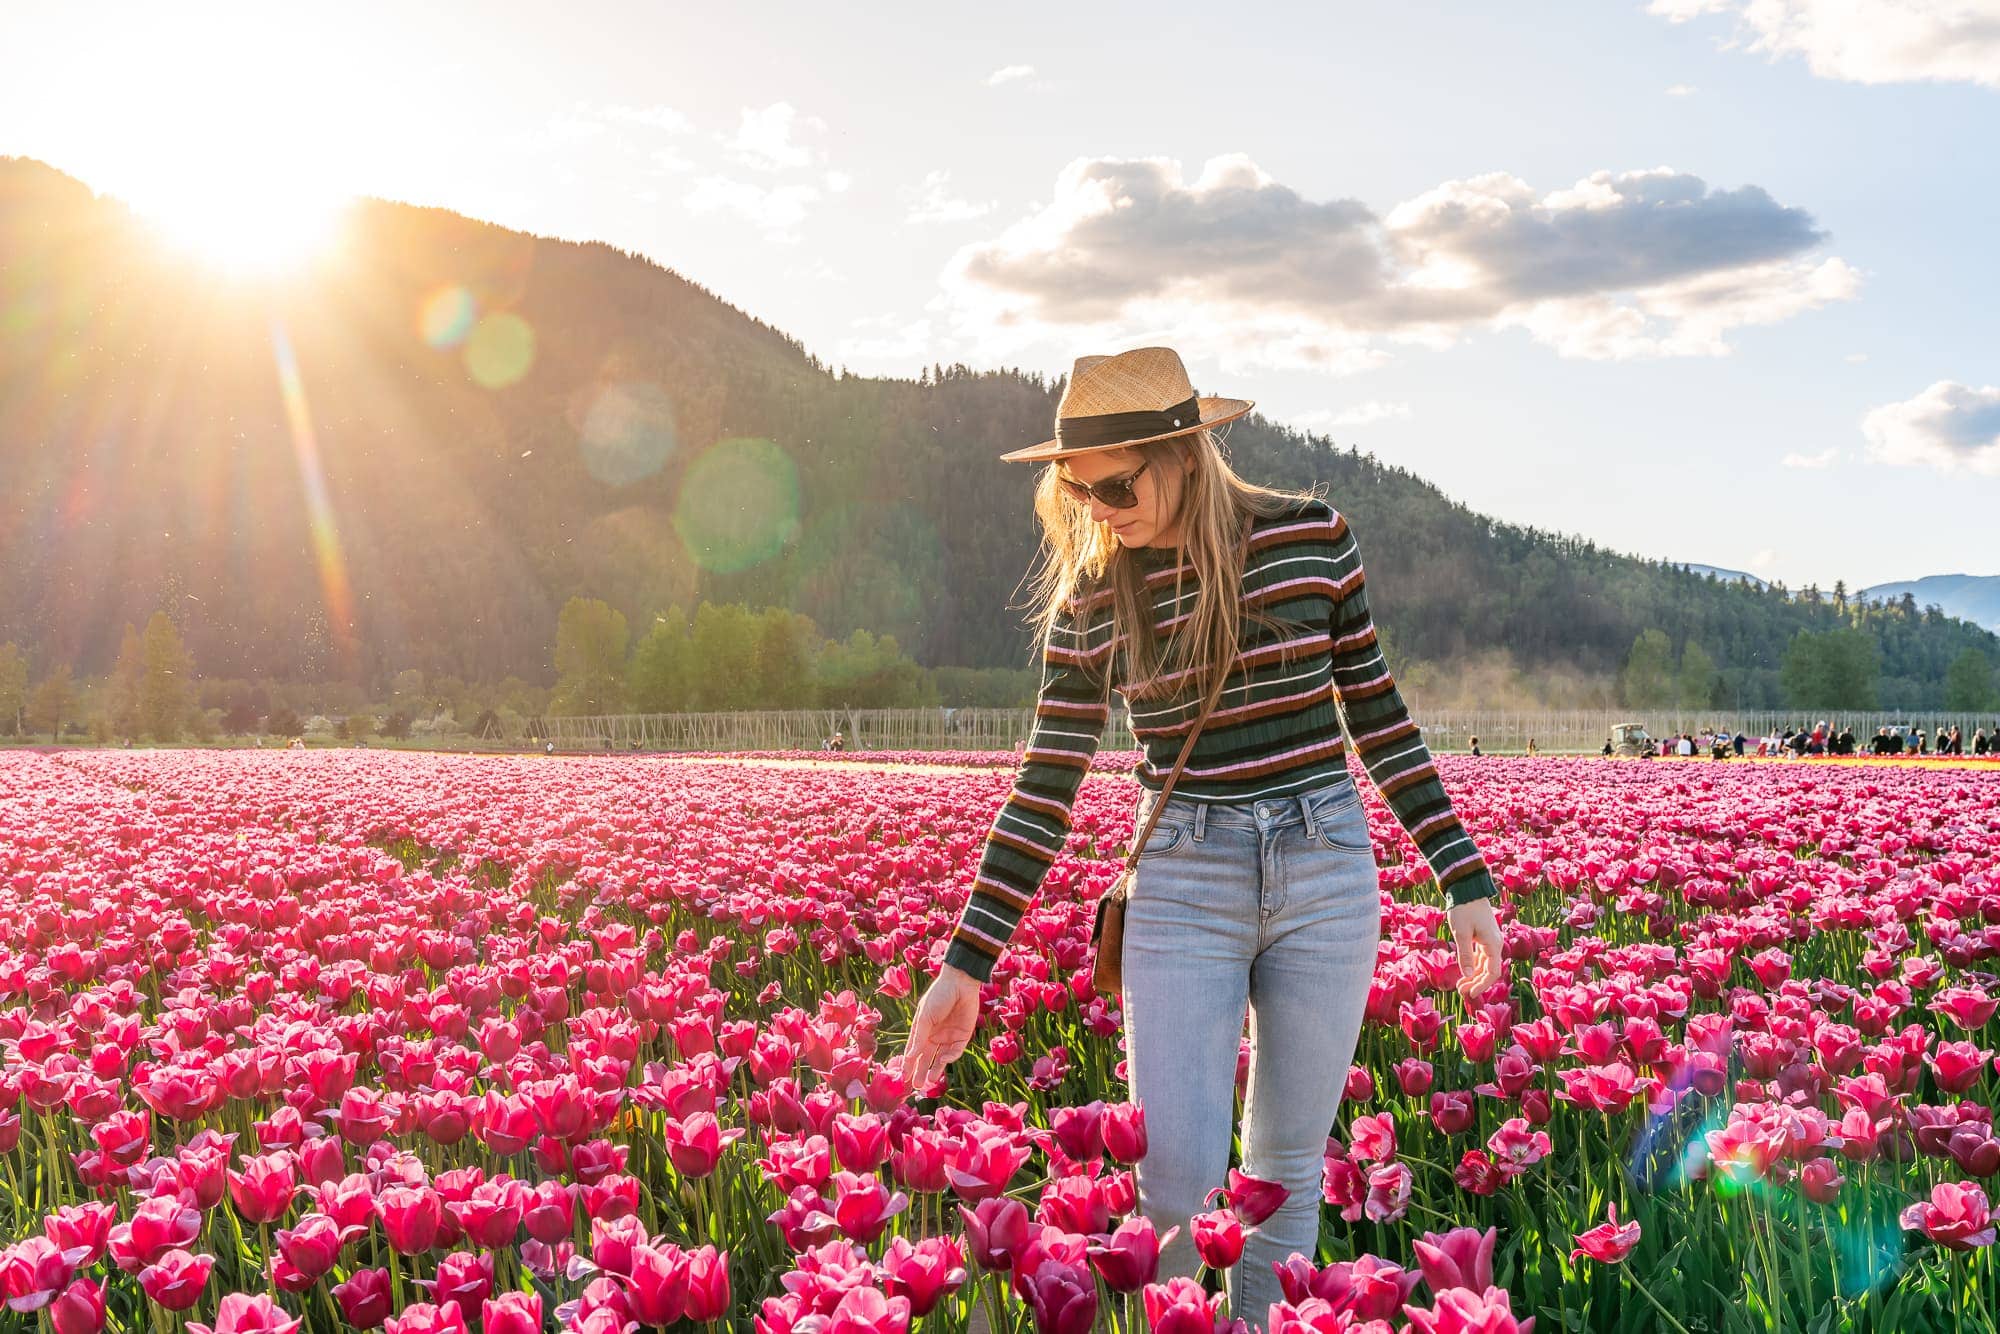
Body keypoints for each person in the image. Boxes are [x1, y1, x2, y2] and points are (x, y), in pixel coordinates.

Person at [895, 346, 1507, 1318]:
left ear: (1182, 451)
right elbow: (1044, 784)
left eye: (1116, 483)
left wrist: (1459, 875)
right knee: (1171, 1188)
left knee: (1282, 1176)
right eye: (1076, 487)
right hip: (1182, 874)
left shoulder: (1311, 538)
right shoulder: (1095, 597)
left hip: (1324, 866)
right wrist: (964, 963)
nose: (1097, 507)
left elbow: (1379, 718)